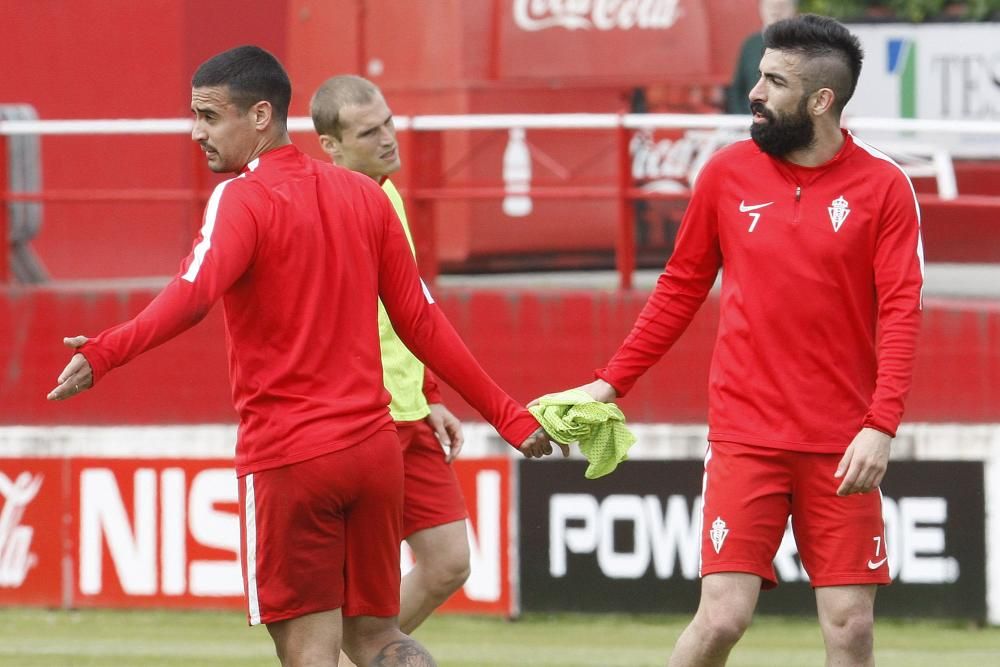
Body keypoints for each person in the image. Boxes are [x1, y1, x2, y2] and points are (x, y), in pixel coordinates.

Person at [46, 45, 554, 667]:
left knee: (310, 653)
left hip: (292, 458)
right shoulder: (365, 197)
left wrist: (105, 352)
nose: (196, 131)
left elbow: (193, 293)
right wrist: (511, 418)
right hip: (374, 453)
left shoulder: (242, 199)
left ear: (261, 116)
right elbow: (423, 321)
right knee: (378, 640)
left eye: (209, 115)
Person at [564, 15, 924, 666]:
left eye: (773, 80)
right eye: (758, 73)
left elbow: (901, 310)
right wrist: (609, 380)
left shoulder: (885, 187)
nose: (754, 91)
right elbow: (678, 289)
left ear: (821, 101)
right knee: (722, 618)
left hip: (842, 441)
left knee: (850, 628)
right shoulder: (726, 174)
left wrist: (881, 424)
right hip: (745, 434)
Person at [308, 75, 469, 646]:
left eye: (389, 122)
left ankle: (360, 654)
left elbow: (408, 306)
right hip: (360, 419)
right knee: (348, 592)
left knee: (449, 561)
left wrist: (430, 395)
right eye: (369, 131)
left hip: (409, 411)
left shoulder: (386, 191)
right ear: (330, 145)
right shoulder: (326, 204)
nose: (388, 138)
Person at [724, 0, 798, 114]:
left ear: (793, 10)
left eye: (782, 6)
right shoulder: (750, 44)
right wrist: (740, 118)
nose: (775, 10)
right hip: (750, 120)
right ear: (761, 8)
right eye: (770, 6)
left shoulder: (803, 46)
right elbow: (736, 89)